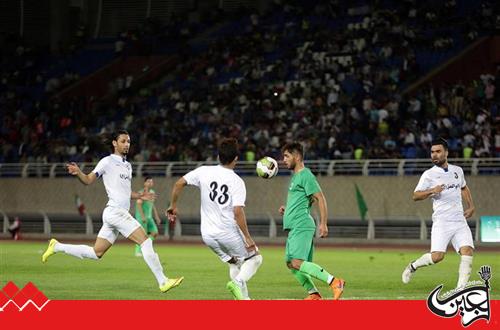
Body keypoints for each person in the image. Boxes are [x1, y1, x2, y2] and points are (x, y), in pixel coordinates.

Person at [41, 130, 183, 293]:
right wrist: (79, 172)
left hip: (115, 214)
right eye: (123, 141)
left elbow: (125, 193)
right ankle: (163, 281)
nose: (127, 144)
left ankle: (57, 246)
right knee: (145, 241)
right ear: (115, 143)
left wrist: (140, 195)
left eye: (128, 141)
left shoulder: (128, 166)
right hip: (115, 212)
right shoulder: (107, 162)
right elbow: (88, 180)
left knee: (96, 253)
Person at [166, 138, 262, 300]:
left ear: (218, 156)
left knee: (235, 262)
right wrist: (247, 237)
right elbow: (237, 211)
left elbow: (178, 184)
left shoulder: (204, 171)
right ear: (236, 159)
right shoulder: (237, 181)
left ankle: (244, 301)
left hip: (207, 235)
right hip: (227, 232)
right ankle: (237, 283)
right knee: (256, 258)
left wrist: (173, 205)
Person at [402, 137, 475, 289]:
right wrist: (432, 190)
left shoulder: (457, 171)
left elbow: (463, 187)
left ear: (446, 153)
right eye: (432, 152)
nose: (434, 155)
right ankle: (413, 266)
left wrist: (471, 206)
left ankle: (460, 290)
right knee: (437, 257)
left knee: (467, 252)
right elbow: (415, 195)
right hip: (442, 222)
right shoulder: (429, 175)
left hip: (460, 221)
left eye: (438, 151)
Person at [279, 142, 345, 300]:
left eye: (287, 156)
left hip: (301, 225)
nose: (283, 160)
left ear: (297, 156)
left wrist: (323, 223)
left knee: (296, 262)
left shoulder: (305, 175)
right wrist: (287, 209)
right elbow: (304, 200)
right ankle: (313, 294)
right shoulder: (297, 177)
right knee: (290, 263)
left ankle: (335, 282)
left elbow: (320, 198)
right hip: (296, 226)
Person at [134, 176, 162, 257]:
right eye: (149, 181)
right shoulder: (141, 192)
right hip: (141, 217)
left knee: (155, 233)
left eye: (151, 182)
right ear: (145, 183)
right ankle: (138, 251)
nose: (150, 183)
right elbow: (139, 204)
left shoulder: (152, 192)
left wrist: (156, 216)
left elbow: (152, 205)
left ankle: (146, 247)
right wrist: (142, 217)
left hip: (149, 217)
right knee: (142, 235)